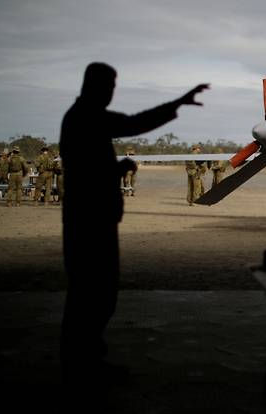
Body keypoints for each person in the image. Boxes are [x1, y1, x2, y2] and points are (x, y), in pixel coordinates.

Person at [58, 62, 210, 393]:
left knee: (91, 295)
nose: (112, 92)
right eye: (109, 85)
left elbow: (92, 167)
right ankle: (82, 368)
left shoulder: (82, 116)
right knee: (93, 295)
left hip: (89, 219)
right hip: (90, 223)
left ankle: (84, 362)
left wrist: (115, 168)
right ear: (95, 86)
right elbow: (133, 125)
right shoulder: (86, 116)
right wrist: (178, 103)